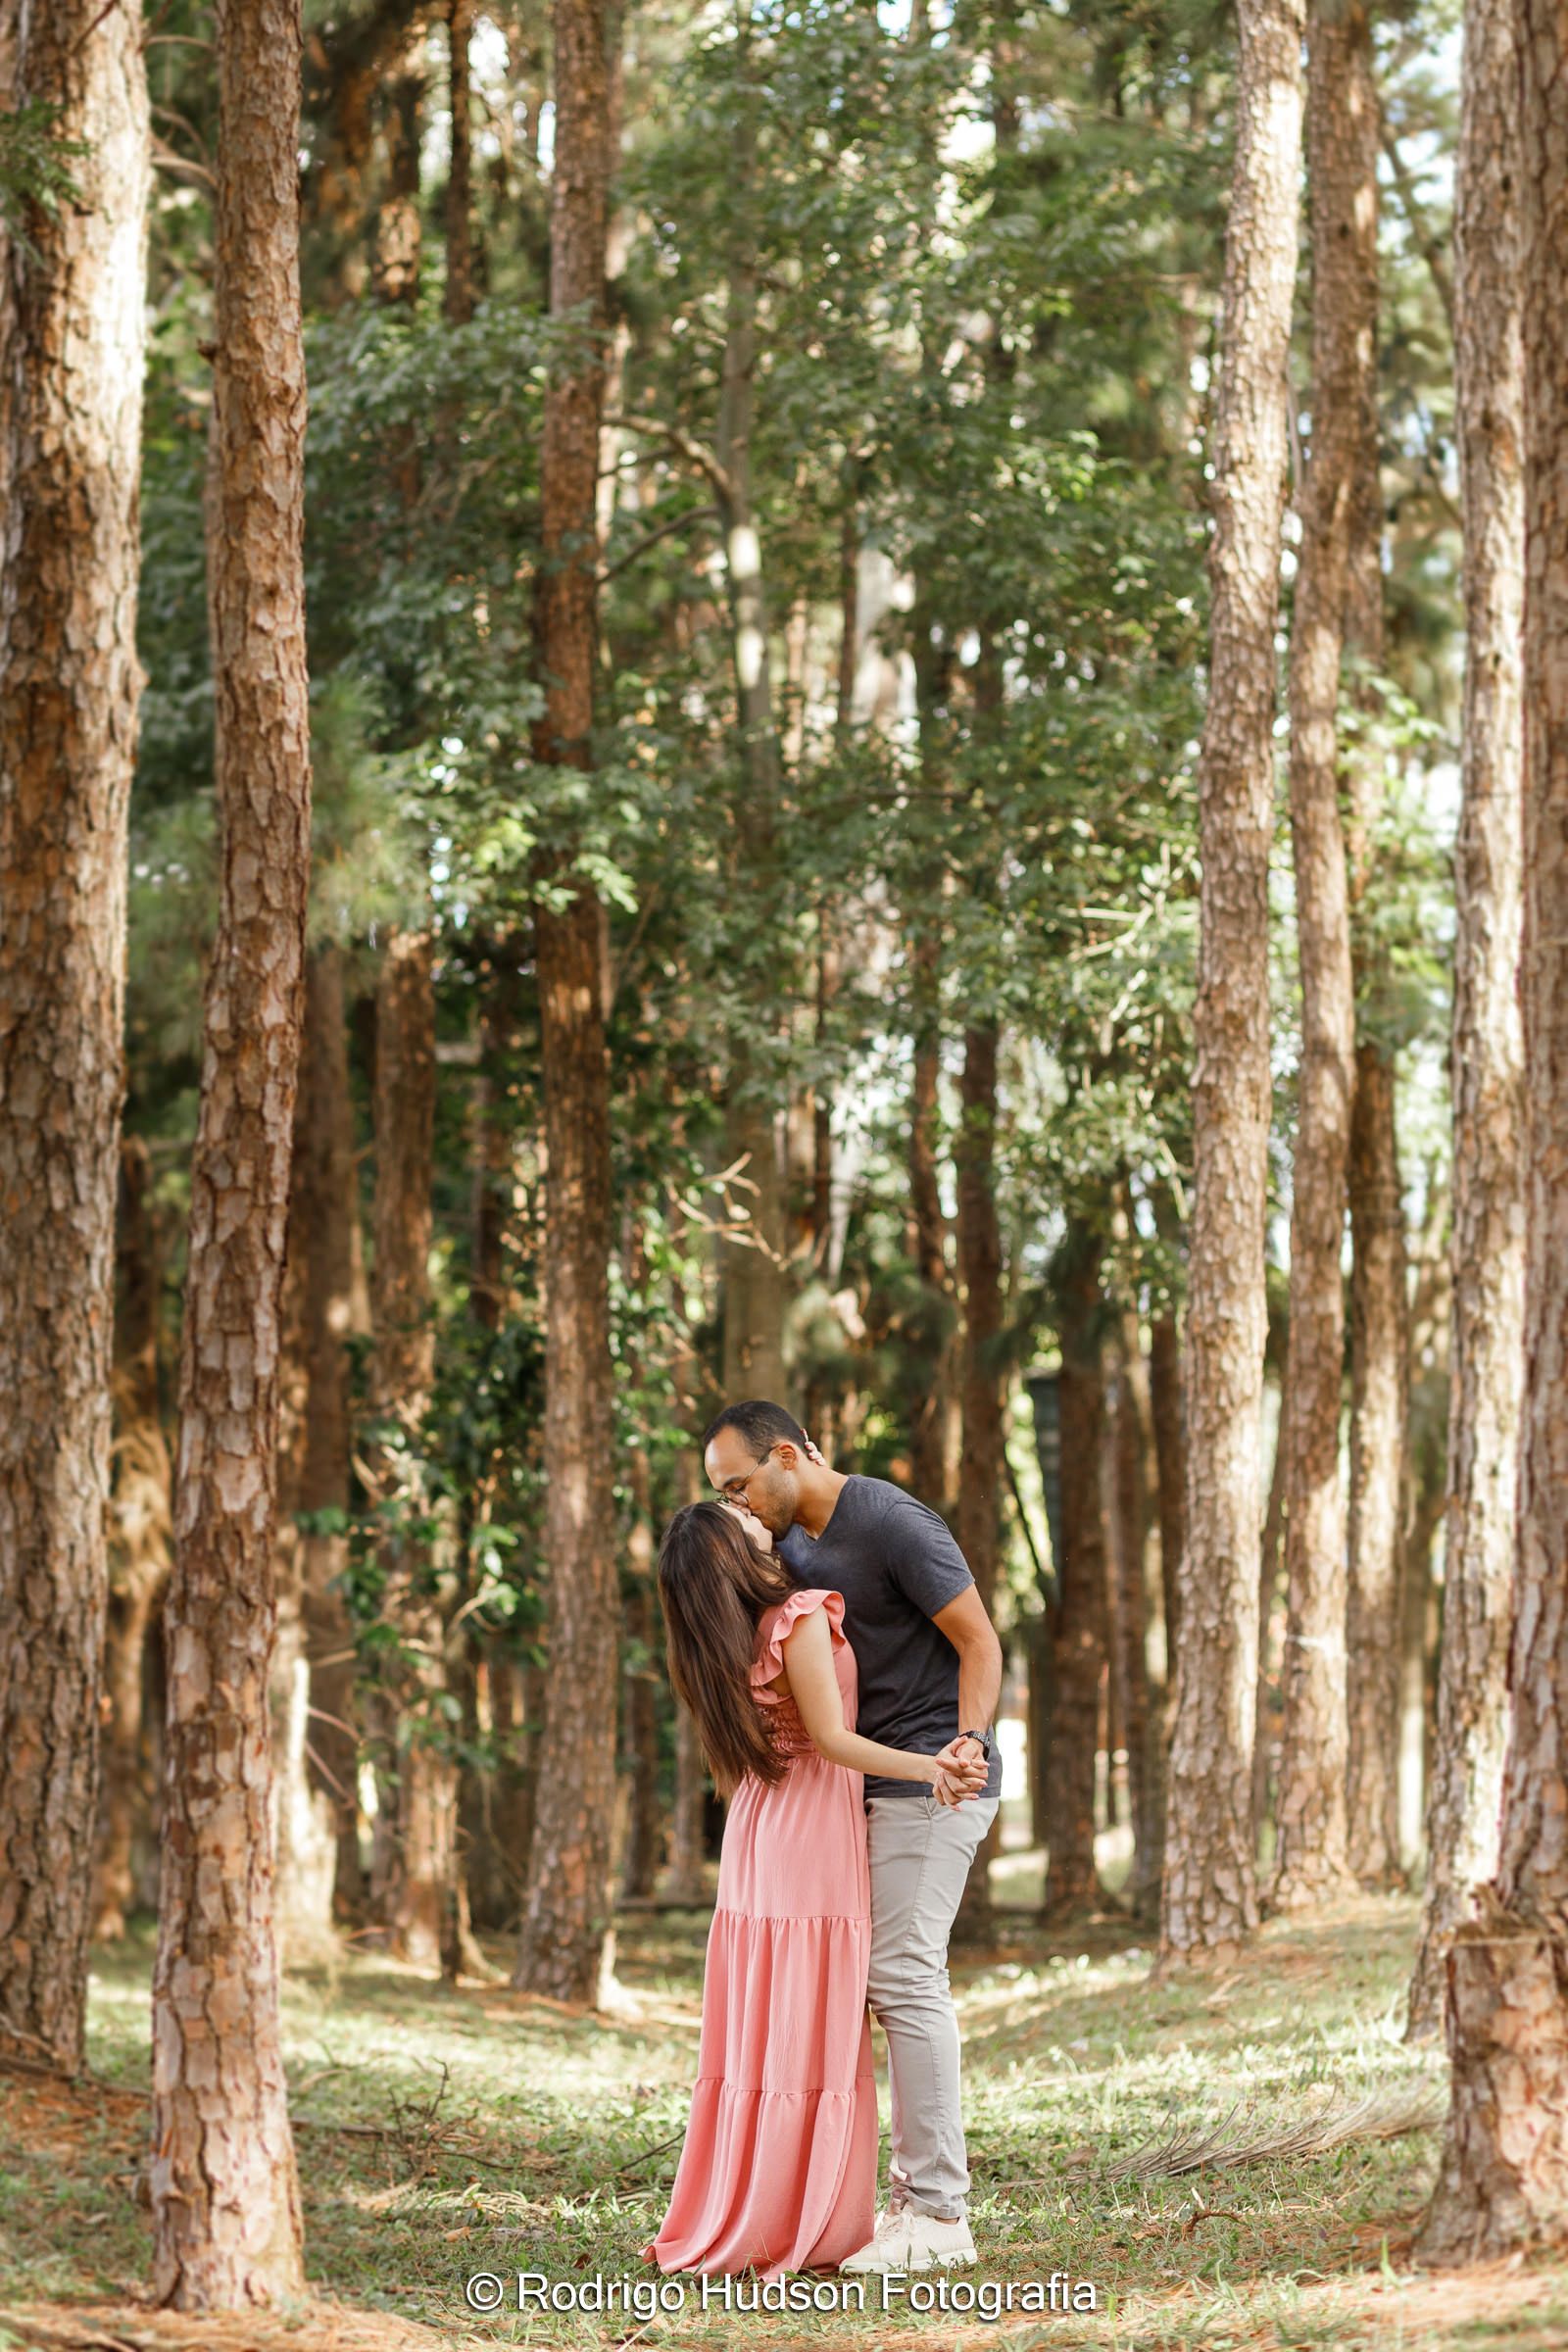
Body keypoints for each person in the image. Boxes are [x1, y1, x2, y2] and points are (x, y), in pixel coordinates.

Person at [641, 1497, 988, 2281]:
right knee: (812, 2016)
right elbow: (831, 1739)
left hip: (762, 1829)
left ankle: (765, 2203)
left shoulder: (721, 1638)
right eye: (733, 1512)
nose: (748, 1509)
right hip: (810, 1823)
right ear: (733, 1554)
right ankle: (814, 2211)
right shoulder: (797, 1615)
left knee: (773, 2019)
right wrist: (932, 1762)